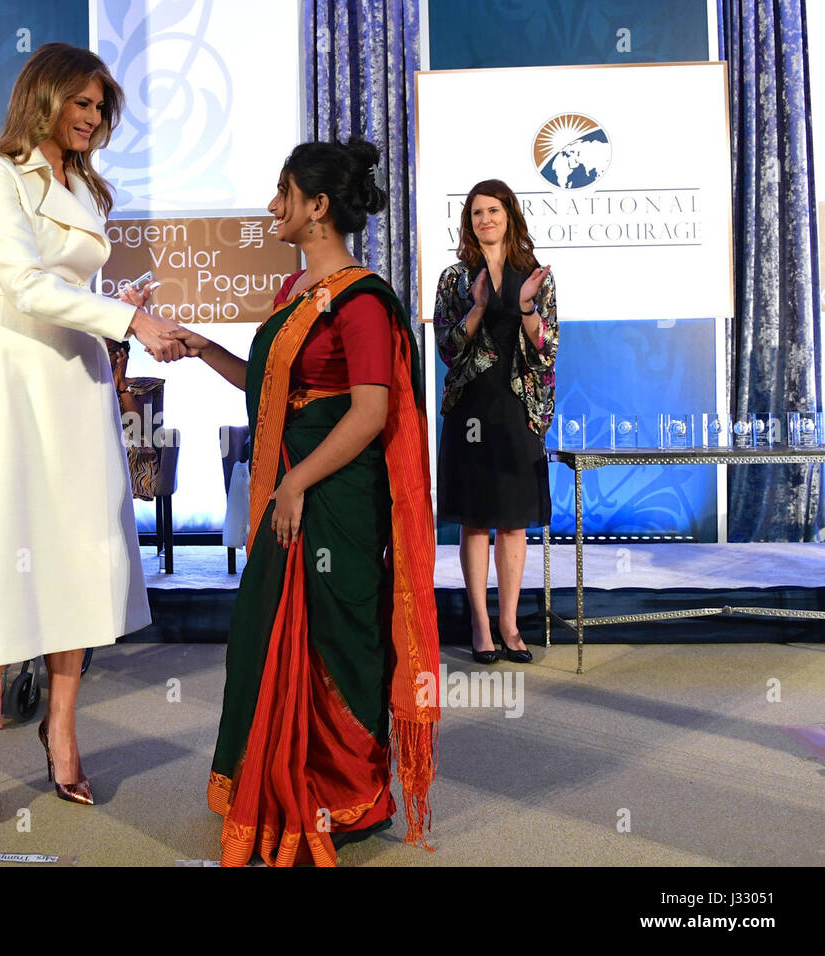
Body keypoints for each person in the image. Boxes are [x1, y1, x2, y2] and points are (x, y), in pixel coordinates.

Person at [165, 138, 441, 866]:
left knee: (338, 635)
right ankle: (273, 778)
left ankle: (345, 792)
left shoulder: (361, 300)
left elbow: (369, 413)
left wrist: (296, 481)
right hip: (290, 496)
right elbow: (270, 393)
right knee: (266, 634)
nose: (270, 206)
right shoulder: (293, 295)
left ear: (317, 207)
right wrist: (202, 349)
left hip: (331, 498)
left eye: (282, 192)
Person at [0, 42, 185, 823]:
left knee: (82, 547)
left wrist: (122, 304)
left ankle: (63, 725)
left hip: (78, 375)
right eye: (81, 103)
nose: (92, 118)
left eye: (100, 108)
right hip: (16, 373)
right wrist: (128, 317)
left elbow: (70, 285)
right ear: (43, 96)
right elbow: (20, 284)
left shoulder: (86, 184)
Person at [433, 179, 557, 666]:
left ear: (509, 214)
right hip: (470, 408)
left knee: (512, 522)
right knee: (477, 521)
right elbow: (447, 348)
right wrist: (481, 305)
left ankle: (510, 623)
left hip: (518, 407)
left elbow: (546, 346)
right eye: (477, 212)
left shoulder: (535, 274)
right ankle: (481, 626)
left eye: (494, 210)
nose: (486, 219)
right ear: (469, 221)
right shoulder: (454, 279)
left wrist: (525, 304)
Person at [106, 337, 164, 501]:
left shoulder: (141, 385)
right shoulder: (84, 387)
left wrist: (122, 388)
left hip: (132, 448)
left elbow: (140, 428)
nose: (102, 356)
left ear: (121, 355)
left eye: (109, 351)